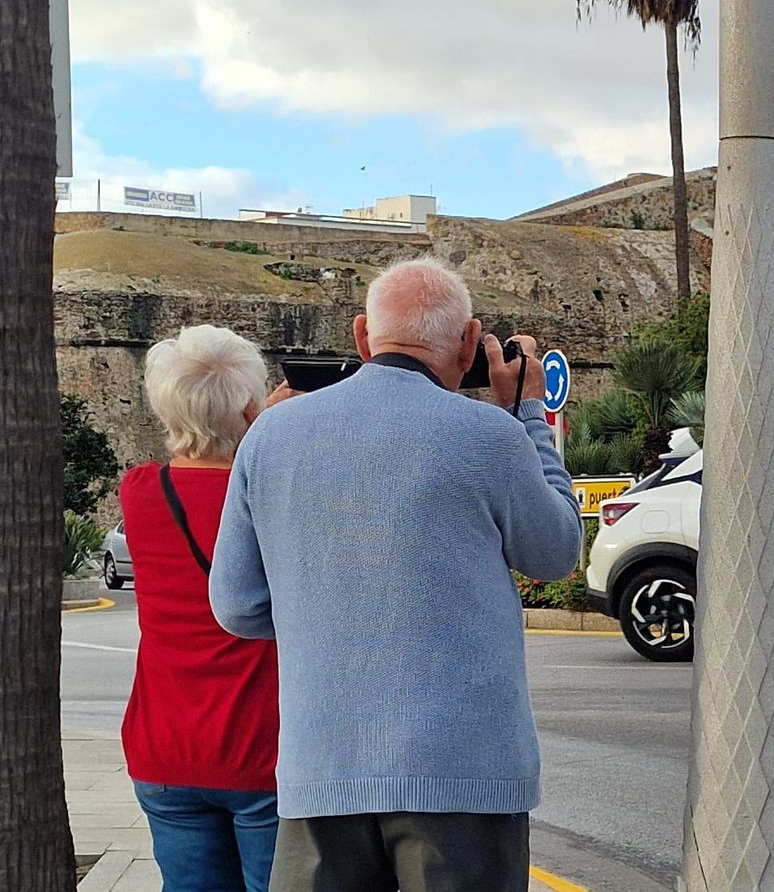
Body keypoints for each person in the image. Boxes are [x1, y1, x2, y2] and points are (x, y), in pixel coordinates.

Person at [209, 257, 582, 892]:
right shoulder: (489, 435)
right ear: (469, 343)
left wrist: (334, 604)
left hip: (322, 771)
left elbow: (237, 606)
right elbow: (554, 553)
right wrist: (525, 416)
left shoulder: (271, 436)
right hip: (465, 777)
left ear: (363, 336)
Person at [119, 325, 295, 892]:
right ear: (250, 406)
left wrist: (244, 422)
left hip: (164, 750)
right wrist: (270, 426)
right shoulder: (273, 493)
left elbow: (198, 463)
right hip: (261, 748)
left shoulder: (140, 491)